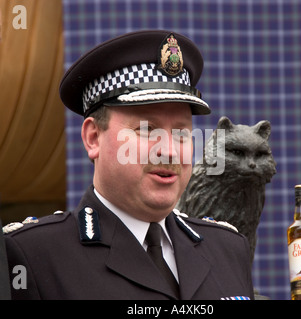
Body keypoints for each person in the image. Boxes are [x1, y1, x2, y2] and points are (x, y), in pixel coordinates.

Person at [3, 30, 254, 300]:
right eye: (147, 129)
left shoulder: (227, 249)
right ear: (93, 138)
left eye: (182, 133)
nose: (169, 151)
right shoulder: (34, 255)